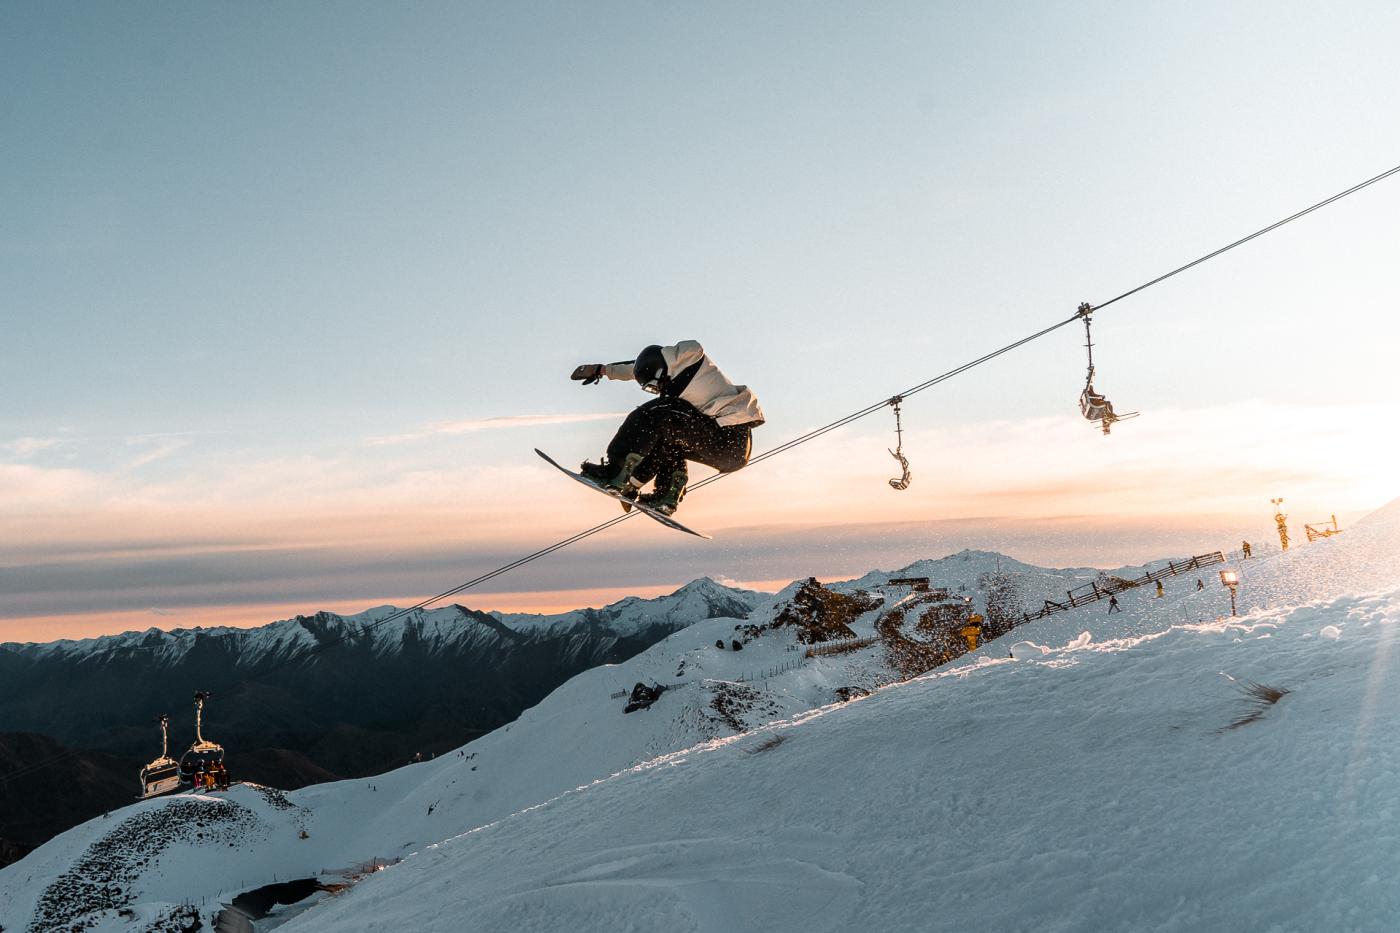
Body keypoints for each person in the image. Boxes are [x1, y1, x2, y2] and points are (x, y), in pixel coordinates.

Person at [571, 341, 764, 515]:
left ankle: (615, 470)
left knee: (652, 413)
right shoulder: (669, 367)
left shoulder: (687, 358)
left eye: (656, 384)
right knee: (669, 441)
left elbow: (645, 365)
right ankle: (666, 496)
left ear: (662, 372)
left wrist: (619, 479)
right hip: (733, 452)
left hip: (726, 436)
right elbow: (639, 368)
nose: (658, 389)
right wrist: (602, 370)